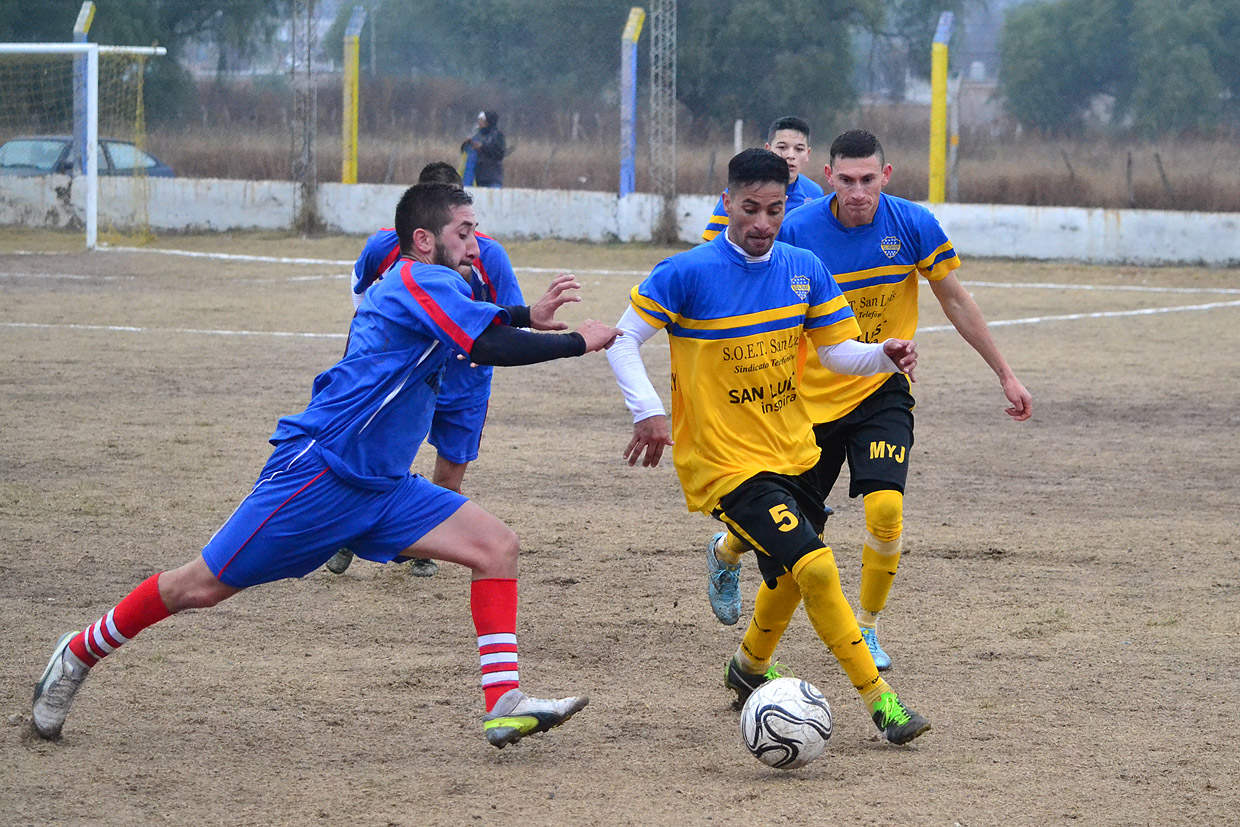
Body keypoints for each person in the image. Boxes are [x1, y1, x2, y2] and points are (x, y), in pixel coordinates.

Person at [31, 182, 620, 748]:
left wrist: (522, 314)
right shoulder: (416, 280)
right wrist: (577, 342)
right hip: (319, 475)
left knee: (496, 547)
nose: (475, 245)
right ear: (423, 239)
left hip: (384, 489)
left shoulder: (437, 287)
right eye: (464, 232)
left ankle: (504, 702)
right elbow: (483, 346)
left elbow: (479, 328)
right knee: (201, 587)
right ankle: (80, 651)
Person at [607, 148, 931, 745]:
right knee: (816, 565)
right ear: (727, 203)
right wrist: (648, 411)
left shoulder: (803, 267)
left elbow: (836, 352)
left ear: (788, 206)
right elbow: (623, 339)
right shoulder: (686, 273)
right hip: (724, 464)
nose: (762, 223)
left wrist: (882, 354)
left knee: (785, 574)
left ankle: (748, 667)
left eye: (774, 210)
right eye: (750, 208)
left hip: (794, 451)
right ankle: (881, 701)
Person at [707, 129, 1034, 672]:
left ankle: (868, 627)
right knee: (796, 536)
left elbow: (954, 298)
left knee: (885, 511)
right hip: (807, 404)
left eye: (868, 179)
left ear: (885, 176)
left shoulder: (911, 224)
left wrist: (1005, 374)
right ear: (826, 178)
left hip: (881, 387)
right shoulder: (797, 231)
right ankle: (726, 552)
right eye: (846, 179)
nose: (857, 191)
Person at [326, 161, 580, 578]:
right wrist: (370, 347)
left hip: (466, 380)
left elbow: (507, 316)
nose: (469, 242)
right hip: (406, 379)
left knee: (450, 471)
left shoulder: (488, 254)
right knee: (379, 461)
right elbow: (360, 285)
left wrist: (503, 332)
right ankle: (349, 531)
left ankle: (419, 544)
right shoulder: (385, 247)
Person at [701, 116, 824, 242]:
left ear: (808, 154)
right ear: (768, 149)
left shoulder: (814, 193)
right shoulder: (741, 191)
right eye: (782, 147)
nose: (790, 155)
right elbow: (712, 246)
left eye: (799, 149)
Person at [462, 111, 506, 188]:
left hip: (493, 178)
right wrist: (466, 144)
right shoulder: (478, 135)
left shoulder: (497, 135)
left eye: (480, 120)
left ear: (487, 122)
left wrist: (482, 147)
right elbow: (466, 154)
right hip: (479, 178)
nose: (479, 122)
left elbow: (499, 154)